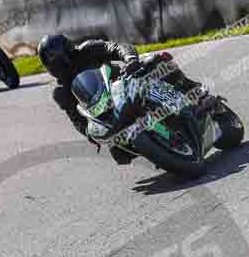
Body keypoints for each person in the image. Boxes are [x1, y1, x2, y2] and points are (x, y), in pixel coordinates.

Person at [37, 34, 219, 165]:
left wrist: (130, 60)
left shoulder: (87, 49)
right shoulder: (61, 91)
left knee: (156, 60)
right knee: (119, 153)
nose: (55, 65)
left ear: (67, 52)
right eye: (50, 63)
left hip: (125, 82)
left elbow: (116, 47)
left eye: (56, 60)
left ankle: (193, 91)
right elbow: (75, 117)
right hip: (107, 111)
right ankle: (160, 145)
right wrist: (88, 133)